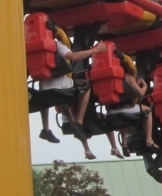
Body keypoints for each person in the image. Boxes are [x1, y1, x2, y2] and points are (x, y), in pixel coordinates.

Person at [37, 24, 109, 159]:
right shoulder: (56, 44)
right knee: (85, 87)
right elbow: (74, 57)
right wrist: (95, 50)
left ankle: (46, 128)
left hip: (44, 90)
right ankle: (79, 121)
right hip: (62, 87)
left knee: (47, 99)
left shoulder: (31, 46)